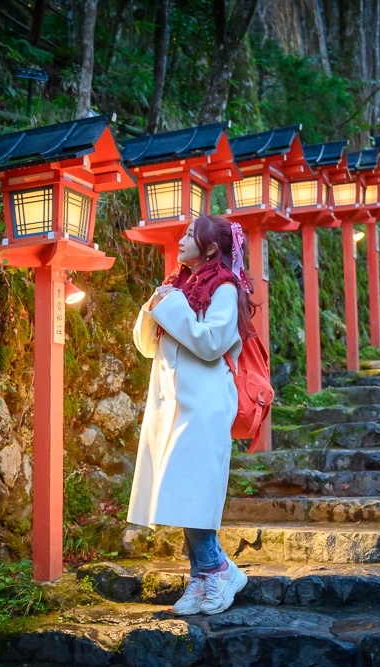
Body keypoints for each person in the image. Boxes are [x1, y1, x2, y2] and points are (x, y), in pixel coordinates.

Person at [127, 214, 256, 616]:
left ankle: (218, 568)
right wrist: (155, 306)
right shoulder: (174, 287)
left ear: (212, 249)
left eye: (189, 235)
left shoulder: (223, 288)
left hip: (205, 402)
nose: (181, 240)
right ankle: (202, 578)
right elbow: (148, 345)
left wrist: (171, 304)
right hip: (171, 400)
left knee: (192, 489)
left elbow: (212, 343)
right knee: (182, 491)